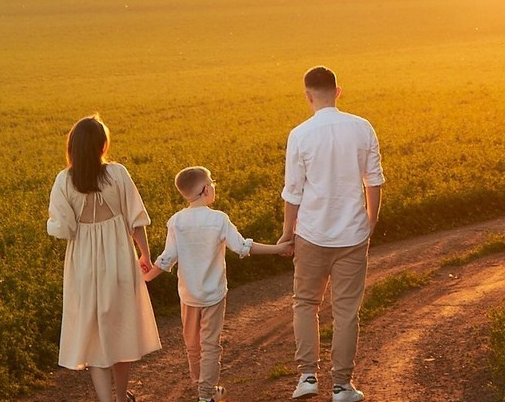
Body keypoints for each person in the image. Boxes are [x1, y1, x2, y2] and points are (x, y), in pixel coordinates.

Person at [277, 66, 385, 402]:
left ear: (308, 95)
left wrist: (287, 235)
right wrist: (370, 222)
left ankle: (307, 377)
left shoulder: (300, 134)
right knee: (346, 311)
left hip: (311, 233)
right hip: (352, 234)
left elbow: (293, 191)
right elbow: (375, 180)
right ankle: (342, 386)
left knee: (305, 304)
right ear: (338, 91)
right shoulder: (362, 127)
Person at [144, 165, 287, 402]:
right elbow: (242, 247)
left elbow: (167, 258)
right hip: (214, 295)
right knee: (210, 345)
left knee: (193, 345)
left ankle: (204, 388)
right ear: (206, 189)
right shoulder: (219, 219)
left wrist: (145, 279)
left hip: (188, 295)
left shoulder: (176, 221)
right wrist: (278, 248)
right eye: (213, 182)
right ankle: (206, 393)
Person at [47, 114, 161, 402]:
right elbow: (136, 221)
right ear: (102, 146)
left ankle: (106, 400)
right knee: (120, 330)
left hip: (84, 262)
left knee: (96, 335)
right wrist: (145, 254)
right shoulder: (118, 174)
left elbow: (63, 229)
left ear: (73, 147)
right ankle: (121, 398)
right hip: (119, 257)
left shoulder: (64, 180)